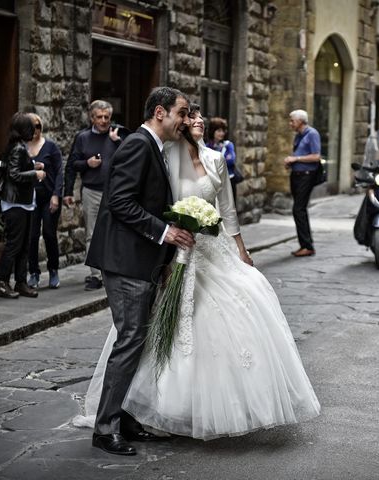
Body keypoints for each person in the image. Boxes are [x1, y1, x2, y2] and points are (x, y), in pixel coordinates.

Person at [79, 105, 320, 445]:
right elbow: (139, 201)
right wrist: (168, 236)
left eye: (197, 116)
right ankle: (125, 415)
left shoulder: (216, 159)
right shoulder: (164, 154)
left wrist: (241, 250)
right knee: (145, 333)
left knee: (234, 310)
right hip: (173, 250)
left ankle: (151, 413)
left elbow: (227, 209)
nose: (194, 120)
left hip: (209, 247)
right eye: (187, 115)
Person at [84, 87, 194, 456]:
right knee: (130, 339)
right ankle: (105, 429)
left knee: (137, 343)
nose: (185, 120)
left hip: (142, 262)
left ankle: (125, 417)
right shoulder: (136, 144)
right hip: (125, 262)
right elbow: (119, 202)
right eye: (182, 113)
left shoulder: (155, 147)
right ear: (160, 112)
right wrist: (166, 232)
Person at [70, 100, 126, 291]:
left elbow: (132, 157)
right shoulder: (83, 137)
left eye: (107, 117)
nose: (103, 121)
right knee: (92, 234)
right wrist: (87, 163)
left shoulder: (118, 134)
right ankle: (95, 275)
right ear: (92, 118)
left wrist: (118, 142)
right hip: (91, 191)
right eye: (99, 117)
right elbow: (73, 164)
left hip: (114, 192)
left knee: (114, 233)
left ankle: (112, 272)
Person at [0, 113, 46, 299]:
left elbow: (16, 169)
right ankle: (2, 283)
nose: (33, 131)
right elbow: (14, 175)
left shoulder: (17, 147)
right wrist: (35, 174)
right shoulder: (17, 148)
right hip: (16, 204)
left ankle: (21, 282)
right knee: (15, 245)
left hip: (23, 204)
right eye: (30, 128)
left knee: (24, 245)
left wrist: (33, 165)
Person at [26, 113, 63, 289]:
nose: (35, 130)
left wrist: (56, 195)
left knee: (49, 233)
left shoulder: (51, 147)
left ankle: (53, 270)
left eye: (38, 126)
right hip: (29, 198)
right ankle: (33, 272)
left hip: (49, 197)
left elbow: (59, 172)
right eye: (31, 126)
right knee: (32, 236)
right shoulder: (22, 148)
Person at [284, 109, 321, 257]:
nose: (290, 123)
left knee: (298, 209)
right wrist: (291, 163)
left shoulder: (312, 134)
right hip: (297, 175)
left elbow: (316, 156)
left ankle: (307, 245)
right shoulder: (299, 136)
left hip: (306, 176)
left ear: (300, 121)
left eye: (292, 120)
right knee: (299, 209)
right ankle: (305, 244)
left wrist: (296, 159)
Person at [206, 117, 239, 200]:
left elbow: (231, 160)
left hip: (228, 181)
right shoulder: (206, 147)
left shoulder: (228, 145)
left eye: (223, 131)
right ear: (212, 131)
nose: (222, 133)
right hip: (213, 183)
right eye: (219, 131)